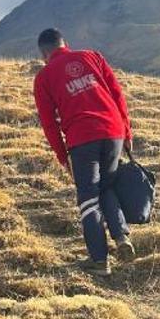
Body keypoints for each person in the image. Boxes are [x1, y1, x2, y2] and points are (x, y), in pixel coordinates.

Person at [33, 28, 135, 275]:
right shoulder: (92, 56)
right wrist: (127, 132)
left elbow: (49, 123)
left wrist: (62, 156)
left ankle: (99, 261)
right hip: (113, 132)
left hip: (82, 139)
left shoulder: (44, 77)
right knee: (107, 186)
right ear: (64, 43)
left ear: (44, 54)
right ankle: (121, 237)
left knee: (89, 196)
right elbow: (117, 94)